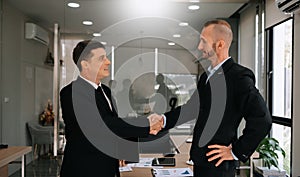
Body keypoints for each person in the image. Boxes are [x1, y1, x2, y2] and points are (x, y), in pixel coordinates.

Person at [150, 19, 272, 177]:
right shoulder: (205, 77)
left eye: (203, 41)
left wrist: (236, 151)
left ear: (220, 45)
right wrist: (163, 120)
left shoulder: (238, 77)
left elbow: (262, 119)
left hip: (218, 166)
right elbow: (191, 109)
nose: (200, 47)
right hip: (201, 161)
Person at [59, 40, 163, 177]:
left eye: (106, 57)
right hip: (84, 168)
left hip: (107, 166)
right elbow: (104, 124)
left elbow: (114, 124)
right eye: (101, 58)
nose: (108, 62)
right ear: (85, 65)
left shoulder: (106, 91)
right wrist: (147, 123)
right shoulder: (71, 93)